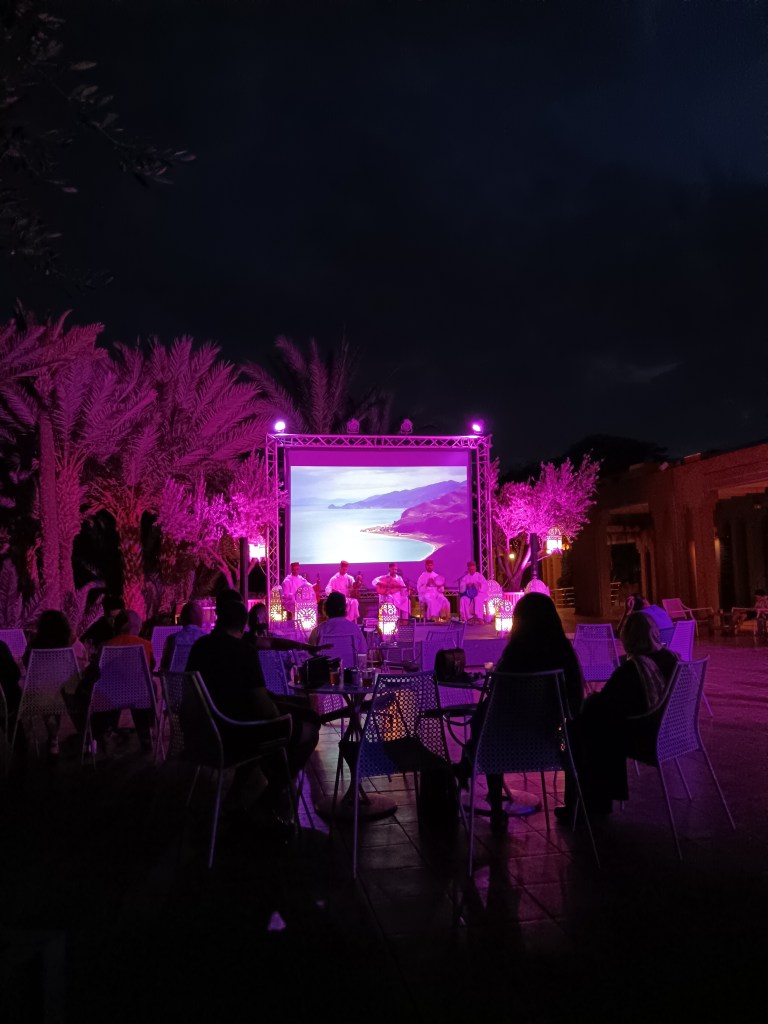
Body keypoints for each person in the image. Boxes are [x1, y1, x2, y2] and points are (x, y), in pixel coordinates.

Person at [455, 592, 585, 835]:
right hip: (551, 743)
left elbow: (494, 703)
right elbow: (575, 705)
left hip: (505, 744)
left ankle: (491, 799)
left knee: (483, 717)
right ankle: (573, 805)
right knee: (573, 733)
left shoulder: (511, 660)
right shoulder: (564, 657)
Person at [186, 600, 320, 820]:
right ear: (244, 624)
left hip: (201, 733)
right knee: (308, 728)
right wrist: (282, 715)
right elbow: (265, 709)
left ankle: (244, 795)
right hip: (236, 734)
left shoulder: (200, 647)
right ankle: (271, 795)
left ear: (219, 619)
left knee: (298, 715)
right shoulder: (244, 650)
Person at [557, 612, 679, 820]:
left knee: (580, 729)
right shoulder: (671, 660)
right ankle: (596, 800)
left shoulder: (634, 671)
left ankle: (583, 804)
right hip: (668, 729)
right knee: (597, 723)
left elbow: (606, 702)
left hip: (643, 735)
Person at [23, 610, 88, 755]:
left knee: (50, 695)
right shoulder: (72, 644)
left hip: (41, 696)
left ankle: (53, 740)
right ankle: (87, 739)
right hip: (69, 696)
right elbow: (83, 662)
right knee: (72, 691)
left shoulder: (33, 647)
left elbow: (27, 665)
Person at [244, 602, 326, 655]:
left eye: (266, 614)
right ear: (257, 618)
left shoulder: (251, 636)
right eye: (264, 614)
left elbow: (276, 642)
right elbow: (274, 643)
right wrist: (306, 647)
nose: (266, 617)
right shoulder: (252, 638)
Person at [308, 591, 367, 662]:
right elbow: (363, 655)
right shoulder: (355, 629)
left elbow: (310, 656)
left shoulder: (318, 631)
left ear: (326, 609)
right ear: (345, 608)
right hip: (350, 672)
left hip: (326, 672)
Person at [159, 600, 206, 672]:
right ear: (200, 619)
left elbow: (164, 667)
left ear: (182, 618)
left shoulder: (172, 639)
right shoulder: (207, 639)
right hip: (200, 682)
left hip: (175, 681)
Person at [416, 558, 451, 623]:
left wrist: (439, 586)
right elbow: (419, 589)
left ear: (433, 566)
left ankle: (444, 616)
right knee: (432, 601)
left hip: (436, 593)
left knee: (444, 600)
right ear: (426, 566)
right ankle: (436, 619)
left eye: (431, 565)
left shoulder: (436, 575)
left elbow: (441, 590)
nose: (429, 567)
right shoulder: (422, 576)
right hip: (426, 594)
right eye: (428, 565)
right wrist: (427, 585)